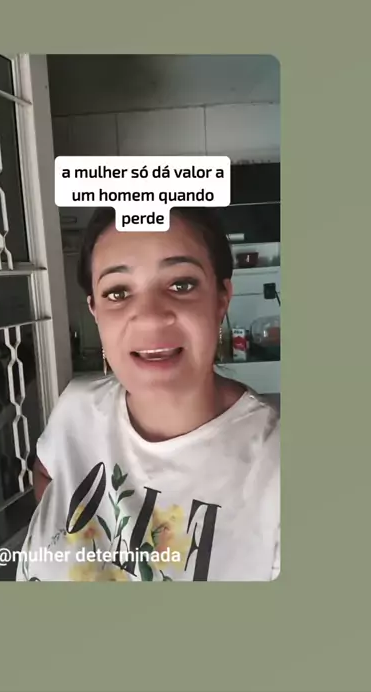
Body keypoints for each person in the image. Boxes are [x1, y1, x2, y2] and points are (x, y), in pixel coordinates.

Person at [16, 207, 280, 582]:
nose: (151, 317)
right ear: (95, 310)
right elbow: (46, 471)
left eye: (181, 285)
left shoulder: (275, 470)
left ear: (222, 298)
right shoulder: (77, 406)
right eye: (118, 292)